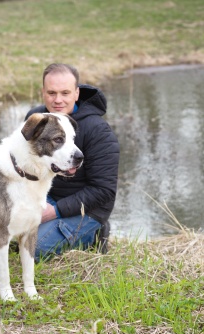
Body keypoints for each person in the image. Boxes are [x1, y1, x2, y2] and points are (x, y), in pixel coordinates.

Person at [25, 63, 120, 262]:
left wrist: (53, 212)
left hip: (88, 210)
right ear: (43, 92)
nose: (57, 100)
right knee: (6, 232)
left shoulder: (98, 131)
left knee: (34, 249)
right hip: (45, 195)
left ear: (77, 93)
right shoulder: (36, 119)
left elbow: (104, 190)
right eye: (51, 93)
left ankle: (96, 234)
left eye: (65, 93)